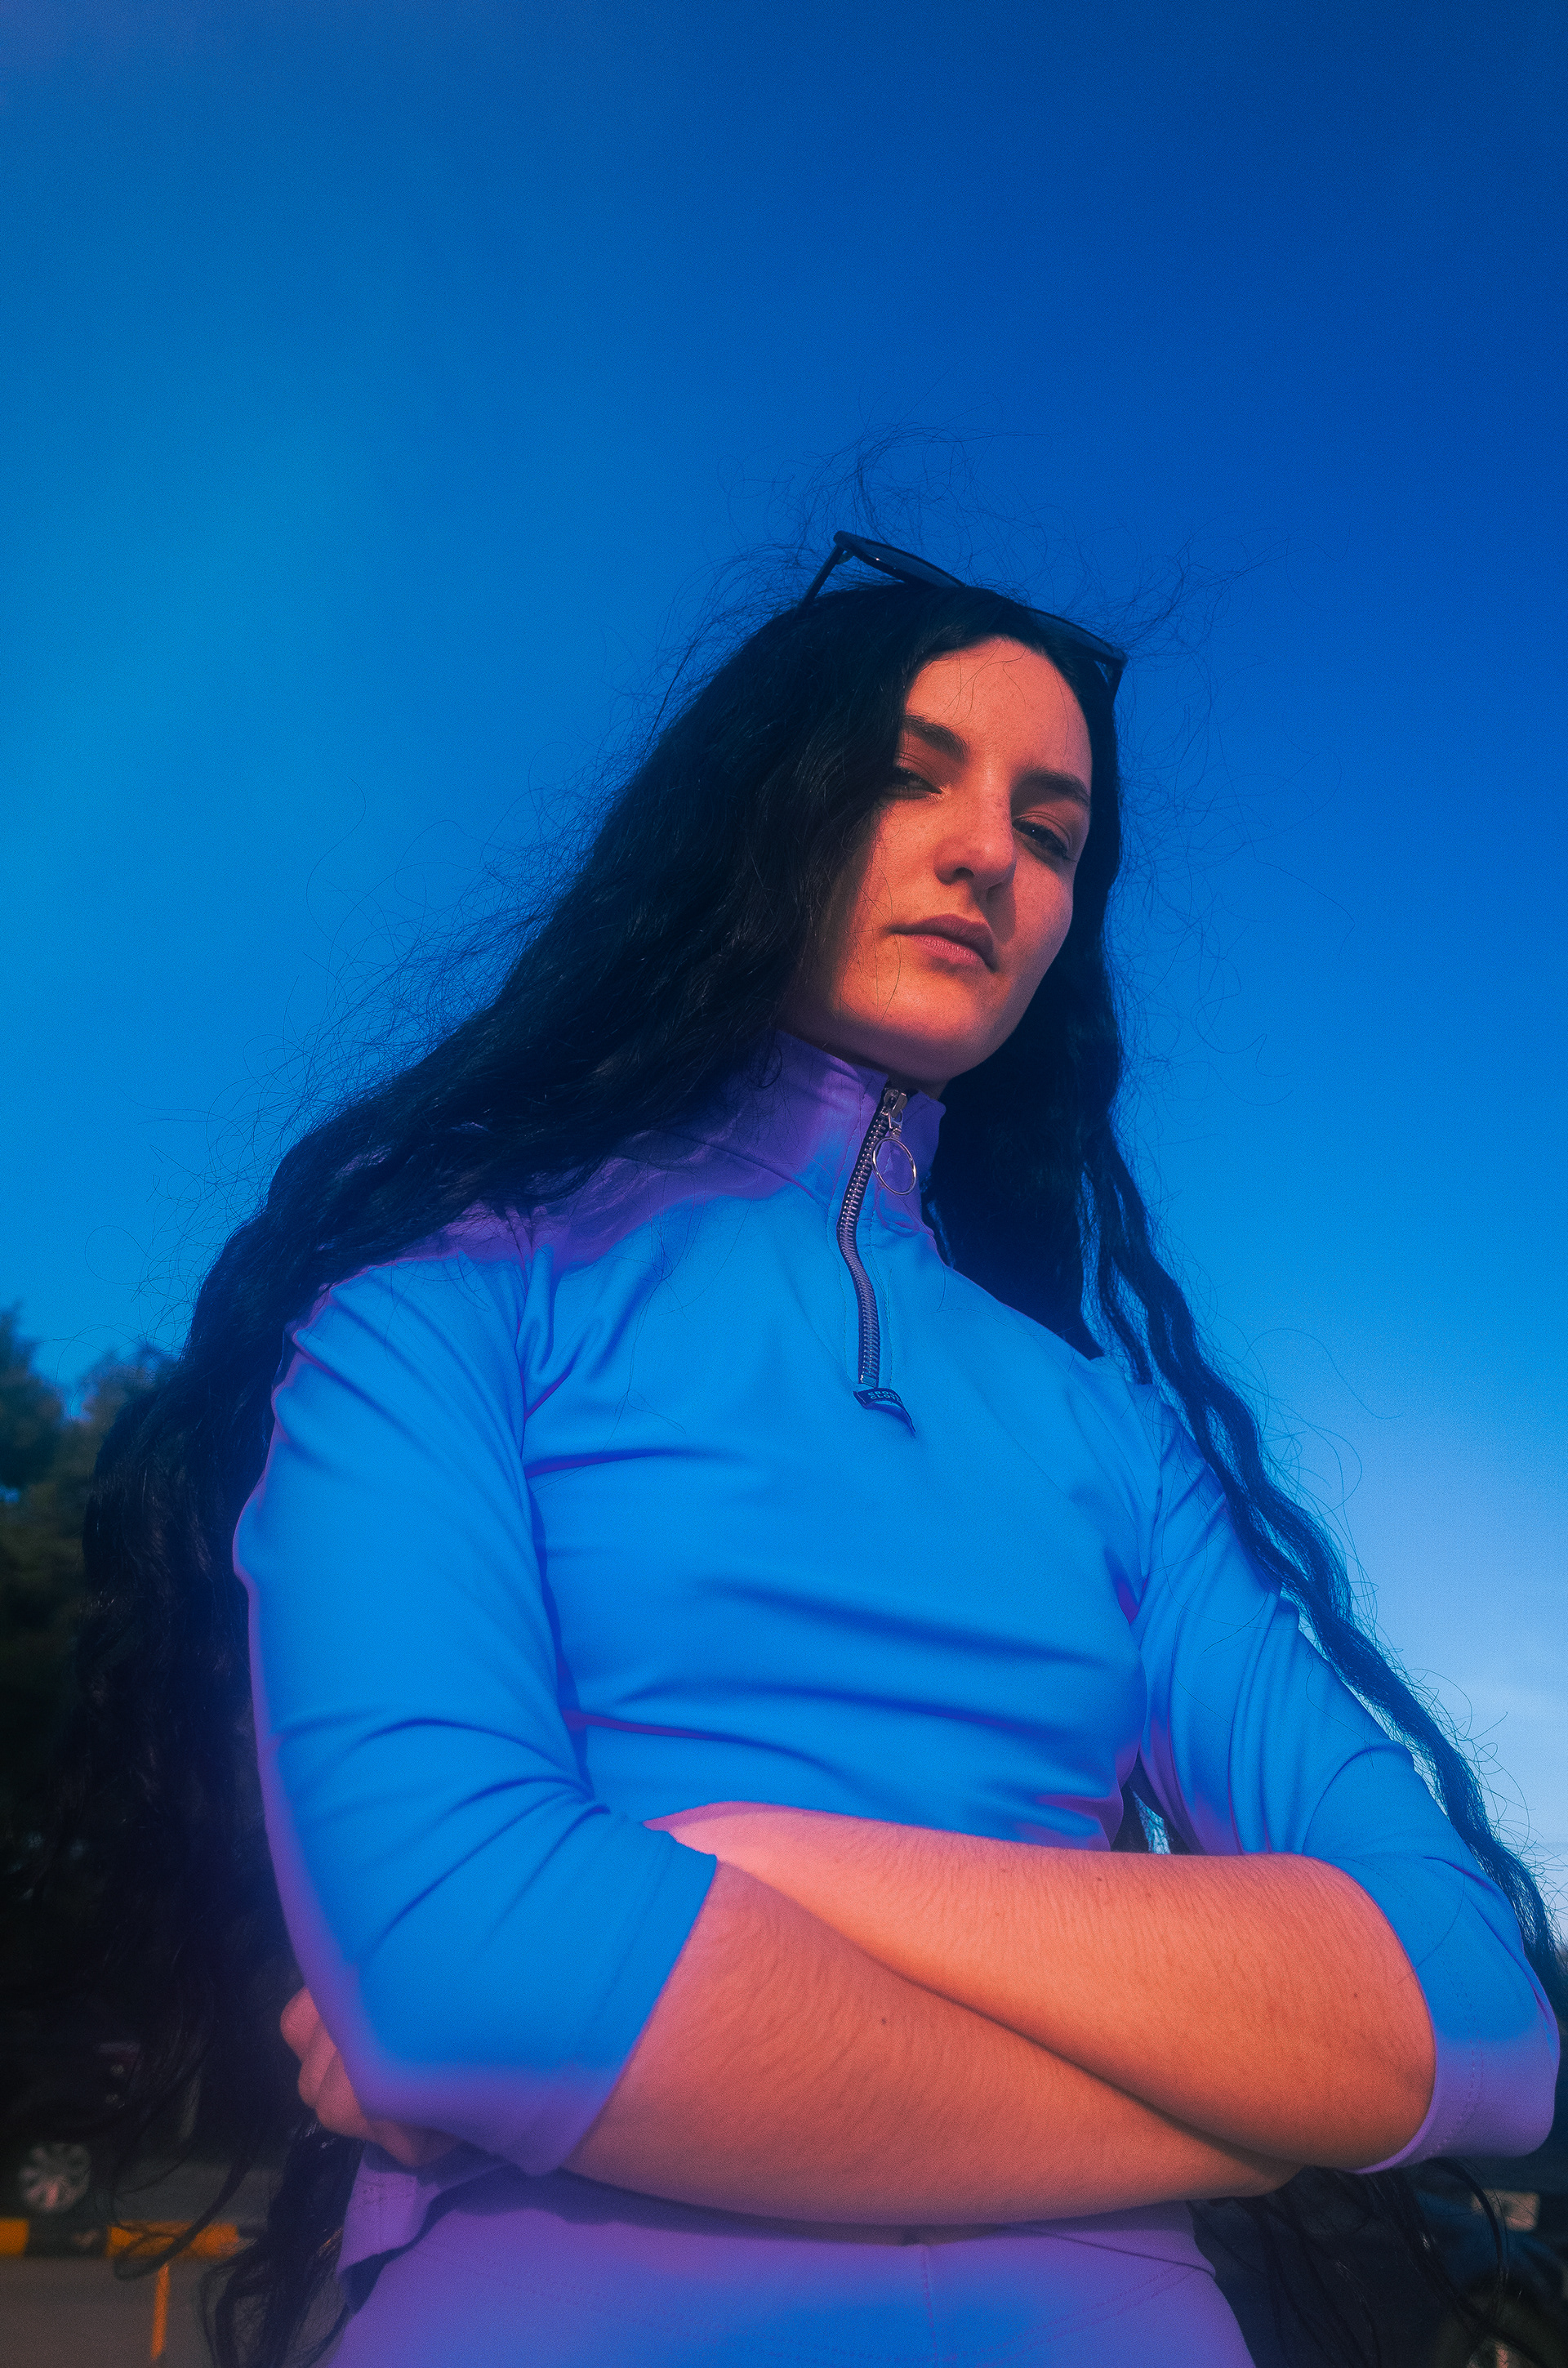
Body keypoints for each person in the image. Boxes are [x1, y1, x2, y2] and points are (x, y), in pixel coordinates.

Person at [69, 537, 1560, 2367]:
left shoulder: (1117, 1435)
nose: (988, 853)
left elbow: (1478, 2020)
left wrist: (752, 1854)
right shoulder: (447, 1304)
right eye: (908, 774)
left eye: (1053, 831)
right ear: (758, 810)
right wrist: (1254, 2122)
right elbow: (467, 1971)